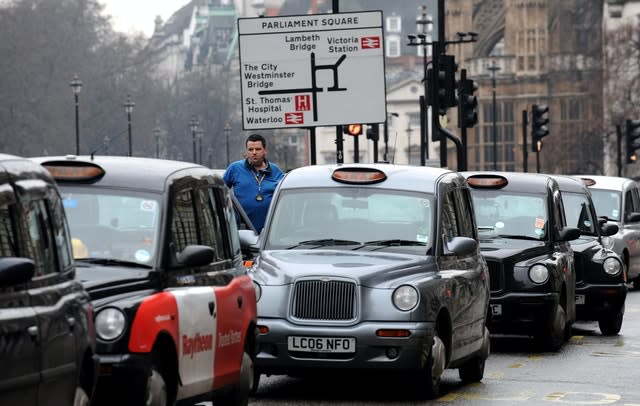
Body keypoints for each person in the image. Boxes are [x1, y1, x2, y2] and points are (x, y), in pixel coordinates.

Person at [223, 133, 284, 232]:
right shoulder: (234, 169)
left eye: (258, 149)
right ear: (246, 151)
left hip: (271, 231)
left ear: (265, 151)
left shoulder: (276, 171)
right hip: (243, 231)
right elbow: (221, 192)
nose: (254, 152)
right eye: (250, 150)